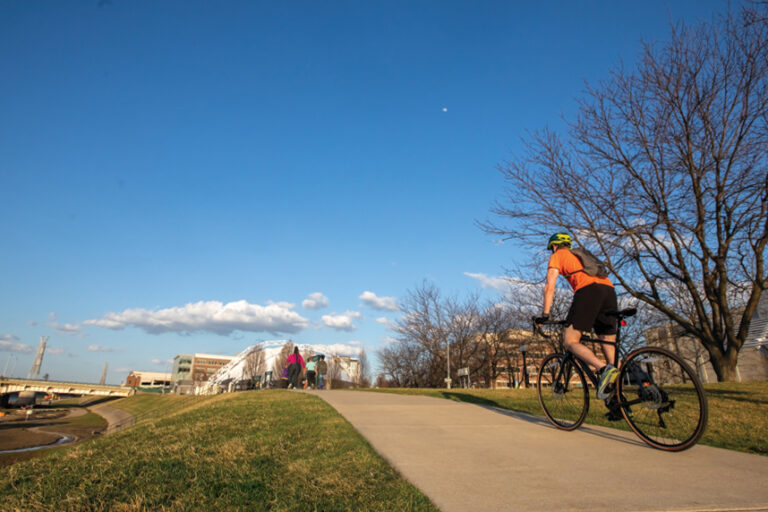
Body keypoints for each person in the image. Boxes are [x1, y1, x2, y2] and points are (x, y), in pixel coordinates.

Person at [534, 233, 619, 399]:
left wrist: (545, 314)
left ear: (555, 246)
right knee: (610, 349)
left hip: (589, 291)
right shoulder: (578, 255)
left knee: (570, 341)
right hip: (609, 291)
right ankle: (620, 401)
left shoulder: (558, 256)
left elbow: (549, 286)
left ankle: (602, 369)